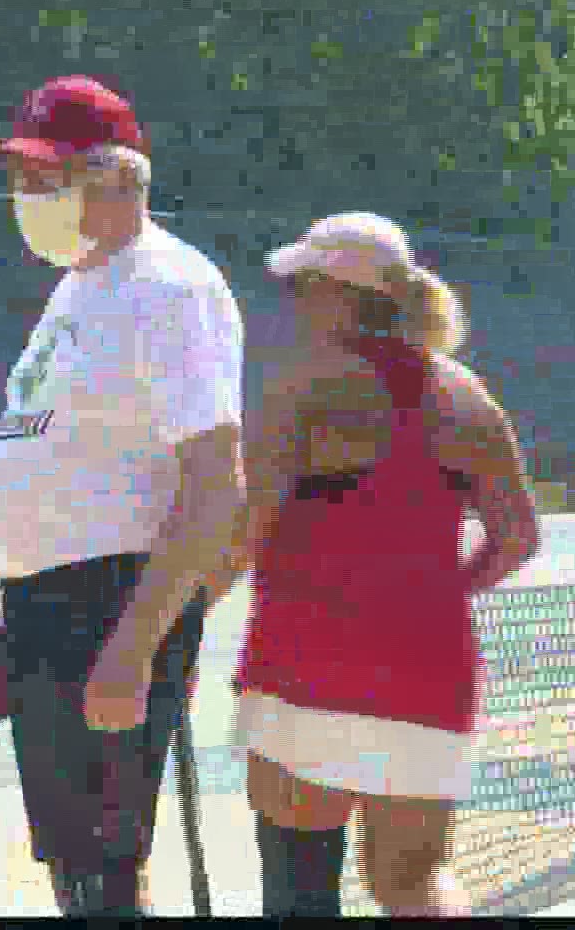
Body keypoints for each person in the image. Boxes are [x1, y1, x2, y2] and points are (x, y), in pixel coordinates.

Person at [209, 213, 540, 917]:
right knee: (416, 881)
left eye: (303, 285)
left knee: (300, 884)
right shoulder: (469, 396)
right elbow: (518, 538)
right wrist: (439, 596)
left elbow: (245, 530)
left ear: (339, 293)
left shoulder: (304, 385)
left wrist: (169, 625)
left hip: (306, 665)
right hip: (430, 668)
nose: (294, 302)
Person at [0, 76, 245, 917]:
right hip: (51, 605)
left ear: (122, 179)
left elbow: (214, 482)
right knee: (78, 865)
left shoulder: (169, 286)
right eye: (22, 177)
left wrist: (134, 646)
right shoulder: (80, 285)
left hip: (109, 603)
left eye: (50, 177)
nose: (30, 197)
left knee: (102, 869)